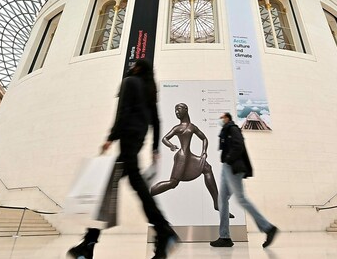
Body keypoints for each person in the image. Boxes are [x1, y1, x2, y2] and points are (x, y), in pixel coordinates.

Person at [67, 59, 179, 259]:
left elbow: (123, 111)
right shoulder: (149, 90)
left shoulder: (130, 82)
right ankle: (89, 243)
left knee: (124, 182)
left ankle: (164, 231)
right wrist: (154, 148)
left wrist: (111, 137)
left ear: (136, 68)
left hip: (127, 136)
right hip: (137, 139)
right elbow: (156, 121)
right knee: (112, 184)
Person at [151, 103, 233, 218]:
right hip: (182, 157)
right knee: (173, 183)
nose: (176, 112)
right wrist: (171, 145)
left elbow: (204, 138)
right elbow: (165, 138)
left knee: (207, 168)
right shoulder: (177, 128)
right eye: (175, 110)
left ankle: (217, 203)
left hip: (189, 156)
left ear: (186, 110)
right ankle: (149, 193)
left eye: (178, 109)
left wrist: (204, 152)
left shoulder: (192, 127)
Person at [210, 112, 278, 248]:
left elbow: (239, 145)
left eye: (222, 117)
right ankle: (225, 237)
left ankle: (268, 228)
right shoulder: (226, 130)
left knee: (241, 199)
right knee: (222, 200)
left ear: (227, 118)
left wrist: (228, 159)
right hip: (226, 167)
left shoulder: (233, 128)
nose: (220, 120)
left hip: (232, 167)